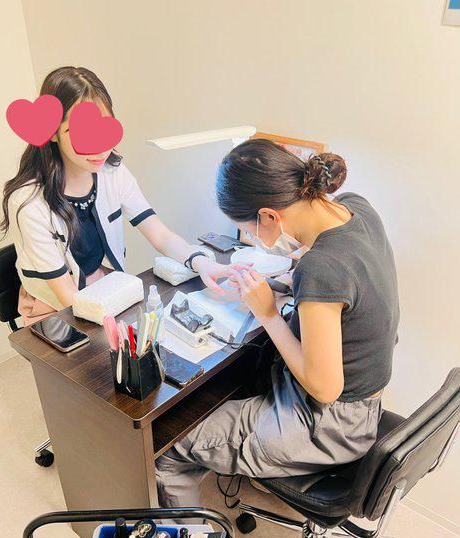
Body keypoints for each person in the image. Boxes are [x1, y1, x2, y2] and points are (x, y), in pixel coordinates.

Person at [156, 138, 400, 507]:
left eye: (250, 231)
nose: (254, 239)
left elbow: (325, 389)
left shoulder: (321, 269)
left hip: (329, 425)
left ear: (269, 216)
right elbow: (342, 274)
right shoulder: (356, 208)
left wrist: (267, 312)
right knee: (237, 377)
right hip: (362, 405)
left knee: (169, 445)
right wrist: (287, 279)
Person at [0, 66, 241, 325]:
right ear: (53, 133)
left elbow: (159, 234)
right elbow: (67, 297)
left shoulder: (112, 172)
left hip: (102, 288)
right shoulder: (29, 204)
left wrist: (202, 263)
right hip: (53, 311)